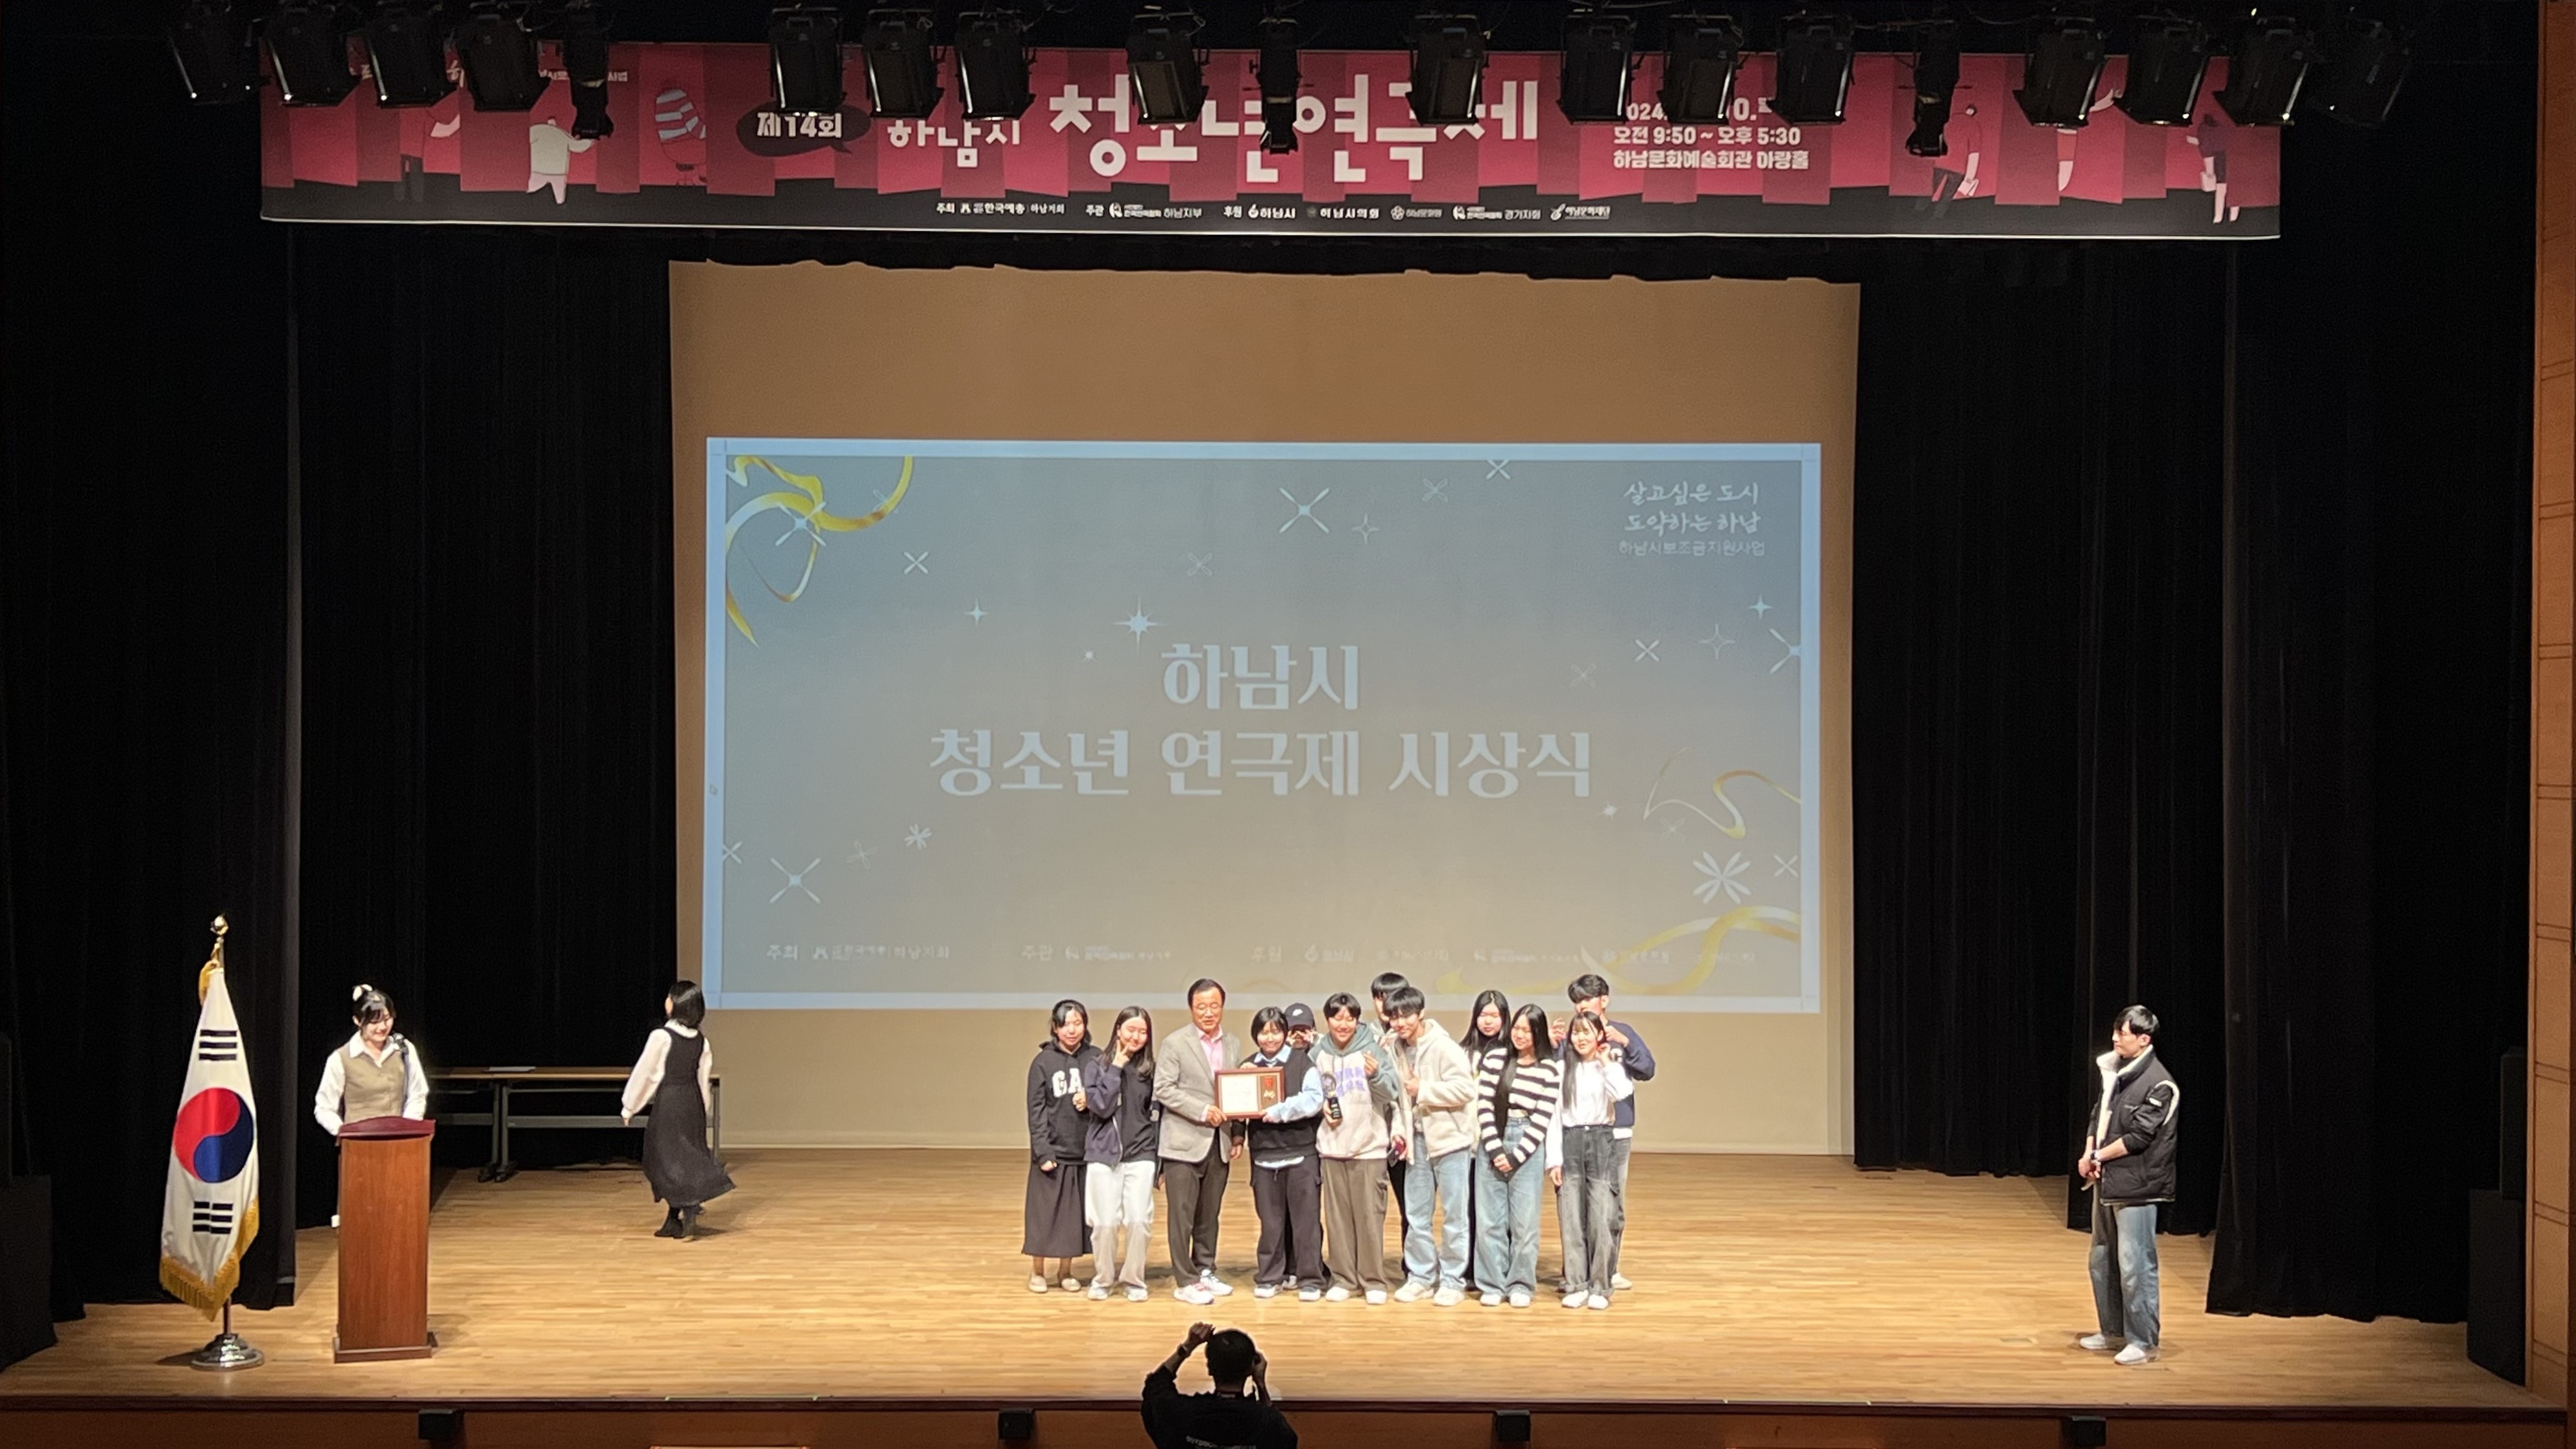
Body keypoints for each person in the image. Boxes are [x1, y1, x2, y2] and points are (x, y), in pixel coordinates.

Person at [2078, 1005, 2180, 1365]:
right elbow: (2099, 1115)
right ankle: (2113, 1331)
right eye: (2116, 1031)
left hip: (2138, 1186)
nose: (2115, 1039)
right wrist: (2089, 1152)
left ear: (2144, 1039)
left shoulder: (2160, 1083)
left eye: (2122, 1033)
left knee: (2136, 1264)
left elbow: (2138, 1137)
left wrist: (2098, 1157)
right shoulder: (2116, 1072)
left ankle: (2143, 1341)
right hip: (2108, 1181)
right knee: (2102, 1258)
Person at [617, 980, 734, 1239]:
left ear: (678, 1004)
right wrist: (703, 1108)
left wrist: (630, 1106)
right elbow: (703, 1080)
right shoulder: (702, 1041)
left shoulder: (661, 1037)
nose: (666, 1001)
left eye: (670, 998)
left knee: (664, 1159)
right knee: (682, 1159)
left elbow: (647, 1074)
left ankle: (688, 1211)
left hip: (671, 1102)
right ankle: (673, 1218)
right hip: (692, 1102)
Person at [1383, 985, 1476, 1305]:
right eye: (1394, 1017)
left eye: (1406, 1015)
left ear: (1421, 1013)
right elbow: (1399, 1100)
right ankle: (1421, 1277)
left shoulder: (1444, 1046)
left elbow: (1465, 1089)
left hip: (1450, 1143)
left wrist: (1424, 1090)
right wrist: (1399, 1131)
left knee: (1454, 1216)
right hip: (1417, 1142)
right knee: (1417, 1215)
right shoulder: (1395, 1048)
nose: (1400, 1023)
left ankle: (1452, 1280)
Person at [1155, 977, 1245, 1305]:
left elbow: (1237, 1092)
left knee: (1209, 1214)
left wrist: (1238, 1132)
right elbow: (1163, 1089)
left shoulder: (1233, 1043)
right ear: (1191, 1008)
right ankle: (1185, 1279)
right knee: (1182, 1216)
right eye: (1201, 1007)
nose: (1208, 1013)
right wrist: (1203, 1110)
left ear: (1223, 1006)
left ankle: (1205, 1268)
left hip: (1219, 1143)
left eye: (1214, 1006)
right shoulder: (1175, 1043)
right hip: (1183, 1143)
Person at [1565, 972, 1655, 1292]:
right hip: (1577, 1133)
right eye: (1577, 1001)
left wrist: (1625, 1043)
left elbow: (1648, 1070)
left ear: (1604, 1000)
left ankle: (1608, 1270)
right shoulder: (1572, 1037)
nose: (1581, 1006)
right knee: (1577, 1206)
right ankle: (1578, 1273)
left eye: (1587, 999)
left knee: (1611, 1207)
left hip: (1616, 1133)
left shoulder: (1622, 1033)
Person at [1312, 992, 1404, 1302]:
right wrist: (1320, 1108)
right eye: (1337, 1018)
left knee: (1369, 1219)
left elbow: (1391, 1092)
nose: (1343, 1024)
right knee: (1338, 1220)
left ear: (1357, 1020)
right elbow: (1310, 1094)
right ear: (1327, 1020)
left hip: (1369, 1148)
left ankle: (1373, 1281)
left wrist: (1374, 1075)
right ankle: (1344, 1279)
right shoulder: (1317, 1053)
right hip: (1331, 1147)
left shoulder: (1373, 1049)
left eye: (1349, 1019)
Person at [1471, 1003, 1560, 1308]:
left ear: (1539, 1034)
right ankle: (1492, 1283)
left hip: (1527, 1144)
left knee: (1524, 1223)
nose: (1520, 1035)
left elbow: (1542, 1119)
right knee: (1489, 1221)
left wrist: (1517, 1156)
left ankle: (1521, 1284)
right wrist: (1496, 1149)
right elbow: (1484, 1105)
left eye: (1528, 1030)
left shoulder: (1549, 1069)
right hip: (1492, 1138)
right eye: (1517, 1029)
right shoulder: (1495, 1058)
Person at [1548, 1009, 1634, 1309]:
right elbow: (1554, 1117)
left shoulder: (1607, 1066)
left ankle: (1600, 1286)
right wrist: (1554, 1160)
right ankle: (1576, 1283)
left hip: (1600, 1139)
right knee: (1571, 1217)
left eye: (1587, 1032)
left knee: (1601, 1216)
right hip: (1570, 1140)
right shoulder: (1562, 1069)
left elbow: (1622, 1092)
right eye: (1576, 1032)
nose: (1581, 1038)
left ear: (1599, 1035)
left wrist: (1606, 1061)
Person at [1241, 1005, 1326, 1301]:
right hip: (1263, 1155)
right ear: (1256, 1035)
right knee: (1271, 1223)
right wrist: (1237, 1134)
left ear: (1285, 1034)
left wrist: (1279, 1111)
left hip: (1301, 1153)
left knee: (1306, 1223)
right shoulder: (1248, 1067)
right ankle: (1269, 1277)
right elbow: (1236, 1107)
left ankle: (1310, 1279)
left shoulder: (1303, 1062)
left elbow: (1314, 1099)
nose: (1270, 1038)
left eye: (1276, 1031)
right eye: (1264, 1032)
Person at [1082, 1005, 1162, 1302]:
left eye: (1143, 1032)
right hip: (1104, 1155)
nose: (1136, 1037)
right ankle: (1103, 1279)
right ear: (1118, 1030)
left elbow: (1157, 1114)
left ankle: (1134, 1280)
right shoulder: (1097, 1065)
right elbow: (1102, 1107)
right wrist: (1116, 1066)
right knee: (1104, 1224)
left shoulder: (1151, 1070)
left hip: (1141, 1154)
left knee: (1139, 1222)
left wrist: (1159, 1161)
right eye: (1131, 1029)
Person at [1023, 999, 1098, 1290]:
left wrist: (1092, 1099)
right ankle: (1038, 1271)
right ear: (1055, 1028)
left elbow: (1108, 1096)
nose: (1072, 1030)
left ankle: (1066, 1272)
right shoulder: (1043, 1062)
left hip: (1083, 1151)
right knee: (1044, 1216)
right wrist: (1043, 1151)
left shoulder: (1095, 1058)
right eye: (1066, 1024)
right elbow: (1036, 1111)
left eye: (1078, 1023)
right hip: (1052, 1152)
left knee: (1073, 1219)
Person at [1142, 1322, 1295, 1449]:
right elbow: (1286, 1441)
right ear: (1252, 1368)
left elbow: (1155, 1387)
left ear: (1209, 1368)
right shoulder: (1266, 1423)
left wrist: (1188, 1346)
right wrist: (1260, 1385)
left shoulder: (1180, 1414)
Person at [313, 983, 429, 1136]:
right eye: (374, 1022)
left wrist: (407, 1128)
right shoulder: (341, 1058)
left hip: (399, 1141)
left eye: (387, 1019)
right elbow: (324, 1108)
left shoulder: (404, 1049)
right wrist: (344, 1132)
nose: (382, 1027)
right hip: (359, 1143)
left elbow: (418, 1093)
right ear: (357, 1021)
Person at [1456, 989, 1509, 1291]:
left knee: (1499, 1211)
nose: (1488, 1022)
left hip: (1501, 1144)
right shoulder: (1463, 1053)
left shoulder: (1512, 1054)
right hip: (1468, 1145)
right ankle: (1470, 1270)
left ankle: (1499, 1268)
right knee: (1469, 1210)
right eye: (1483, 1015)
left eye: (1495, 1016)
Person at [1368, 973, 1413, 1236]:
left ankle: (1412, 1258)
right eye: (1379, 998)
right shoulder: (1364, 1035)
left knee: (1411, 1206)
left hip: (1405, 1133)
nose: (1384, 1004)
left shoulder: (1412, 1037)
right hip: (1372, 1132)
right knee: (1371, 1207)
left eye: (1392, 997)